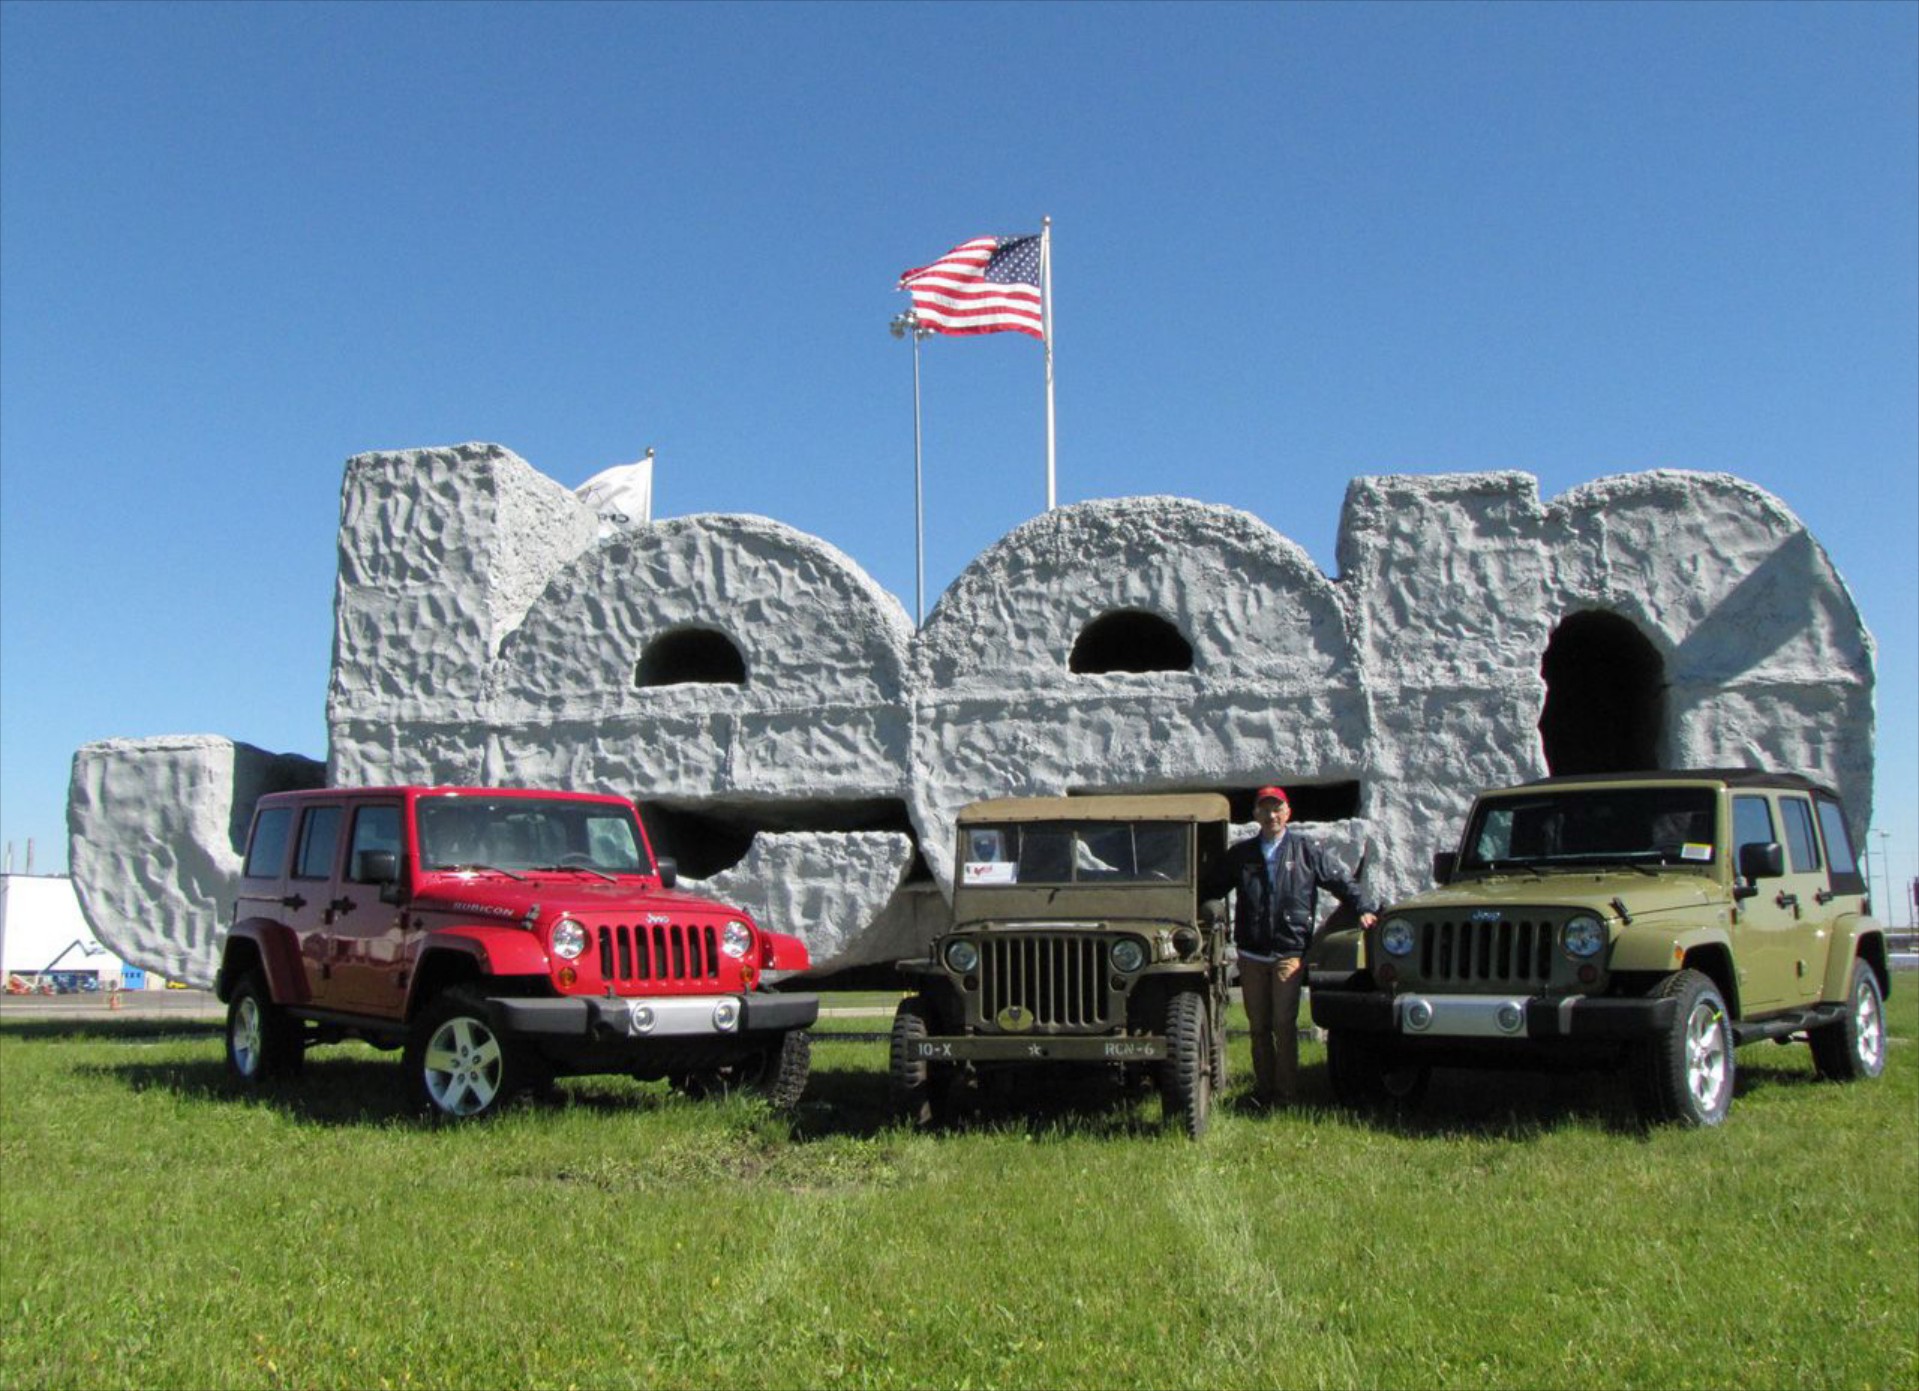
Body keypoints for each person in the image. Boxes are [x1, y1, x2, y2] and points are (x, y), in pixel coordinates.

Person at [1206, 785, 1377, 1106]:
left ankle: (1286, 1096)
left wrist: (1364, 907)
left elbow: (1341, 881)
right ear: (1256, 814)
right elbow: (1212, 886)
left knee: (1283, 1026)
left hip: (1289, 952)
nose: (1271, 815)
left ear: (1287, 813)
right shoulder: (1242, 855)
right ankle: (1263, 1092)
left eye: (1277, 809)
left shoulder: (1306, 851)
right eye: (1265, 809)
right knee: (1258, 1027)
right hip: (1251, 953)